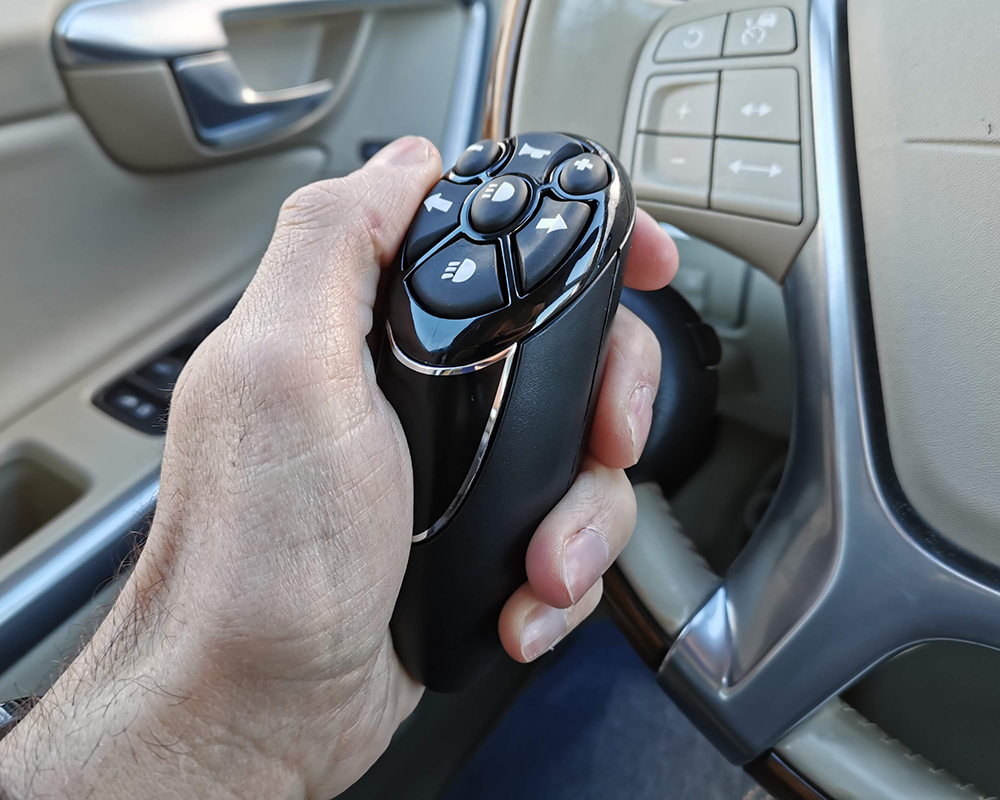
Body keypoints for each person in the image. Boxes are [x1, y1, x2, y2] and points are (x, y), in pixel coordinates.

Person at [0, 136, 677, 799]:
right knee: (614, 667)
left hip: (402, 651)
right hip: (437, 633)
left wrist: (209, 724)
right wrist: (212, 719)